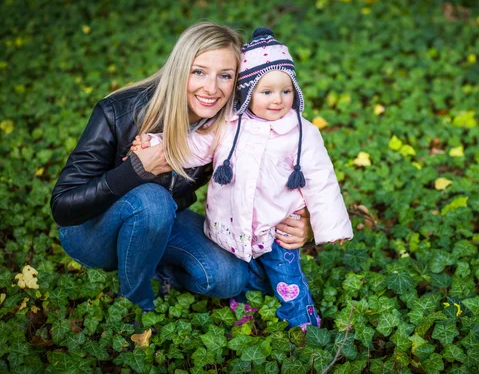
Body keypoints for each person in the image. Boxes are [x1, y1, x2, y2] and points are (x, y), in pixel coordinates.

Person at [50, 22, 313, 312]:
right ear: (179, 69)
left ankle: (154, 267)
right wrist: (134, 171)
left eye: (225, 76)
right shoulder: (119, 112)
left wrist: (306, 225)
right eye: (198, 72)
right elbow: (63, 208)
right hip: (91, 232)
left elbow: (270, 183)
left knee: (229, 278)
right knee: (153, 200)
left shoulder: (234, 127)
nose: (211, 89)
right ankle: (136, 303)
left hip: (162, 222)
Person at [133, 28, 353, 329]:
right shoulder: (229, 125)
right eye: (266, 92)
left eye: (286, 91)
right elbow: (194, 147)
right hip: (234, 222)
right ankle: (245, 304)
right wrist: (157, 145)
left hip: (278, 227)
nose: (278, 100)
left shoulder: (302, 133)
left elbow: (321, 181)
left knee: (286, 277)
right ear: (247, 92)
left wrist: (331, 226)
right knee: (242, 270)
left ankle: (302, 319)